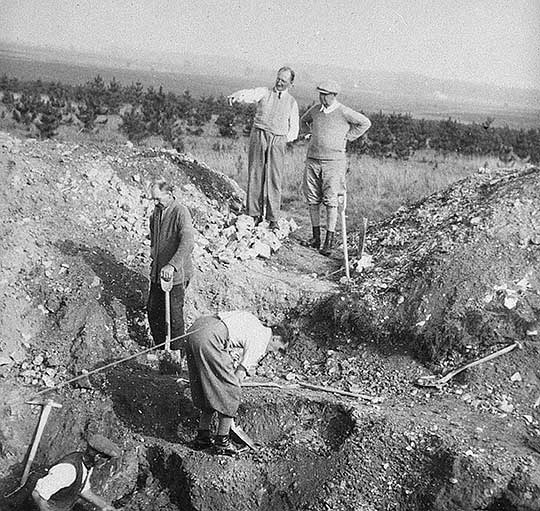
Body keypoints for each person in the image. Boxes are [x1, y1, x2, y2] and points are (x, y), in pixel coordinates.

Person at [185, 311, 283, 455]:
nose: (276, 352)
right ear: (275, 338)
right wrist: (229, 403)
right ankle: (222, 441)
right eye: (279, 348)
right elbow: (237, 377)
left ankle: (203, 437)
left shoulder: (253, 321)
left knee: (206, 385)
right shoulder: (262, 339)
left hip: (195, 329)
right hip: (210, 336)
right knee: (230, 389)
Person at [301, 80, 371, 256]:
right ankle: (316, 237)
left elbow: (365, 123)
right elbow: (304, 121)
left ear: (334, 95)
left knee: (331, 200)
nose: (322, 97)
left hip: (334, 162)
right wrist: (308, 133)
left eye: (325, 94)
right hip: (313, 160)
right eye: (320, 93)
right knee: (312, 199)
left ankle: (329, 241)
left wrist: (348, 137)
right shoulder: (316, 110)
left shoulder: (343, 112)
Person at [228, 67, 299, 229]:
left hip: (278, 139)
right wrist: (236, 96)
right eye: (278, 79)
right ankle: (254, 214)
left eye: (284, 81)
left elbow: (294, 127)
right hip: (259, 134)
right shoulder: (264, 92)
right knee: (255, 173)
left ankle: (273, 217)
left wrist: (283, 139)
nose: (280, 83)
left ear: (291, 84)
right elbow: (249, 95)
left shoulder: (292, 102)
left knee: (274, 178)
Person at [147, 178, 195, 349]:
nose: (155, 202)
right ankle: (161, 350)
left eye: (158, 199)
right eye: (153, 199)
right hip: (158, 274)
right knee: (154, 313)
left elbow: (188, 242)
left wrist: (172, 264)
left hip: (176, 275)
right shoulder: (155, 215)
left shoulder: (181, 212)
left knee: (174, 317)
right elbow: (155, 242)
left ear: (170, 194)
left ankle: (176, 353)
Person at [31, 434, 121, 511]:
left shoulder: (86, 465)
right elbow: (38, 495)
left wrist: (105, 506)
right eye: (106, 460)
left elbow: (82, 489)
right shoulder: (68, 470)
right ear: (98, 457)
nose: (106, 463)